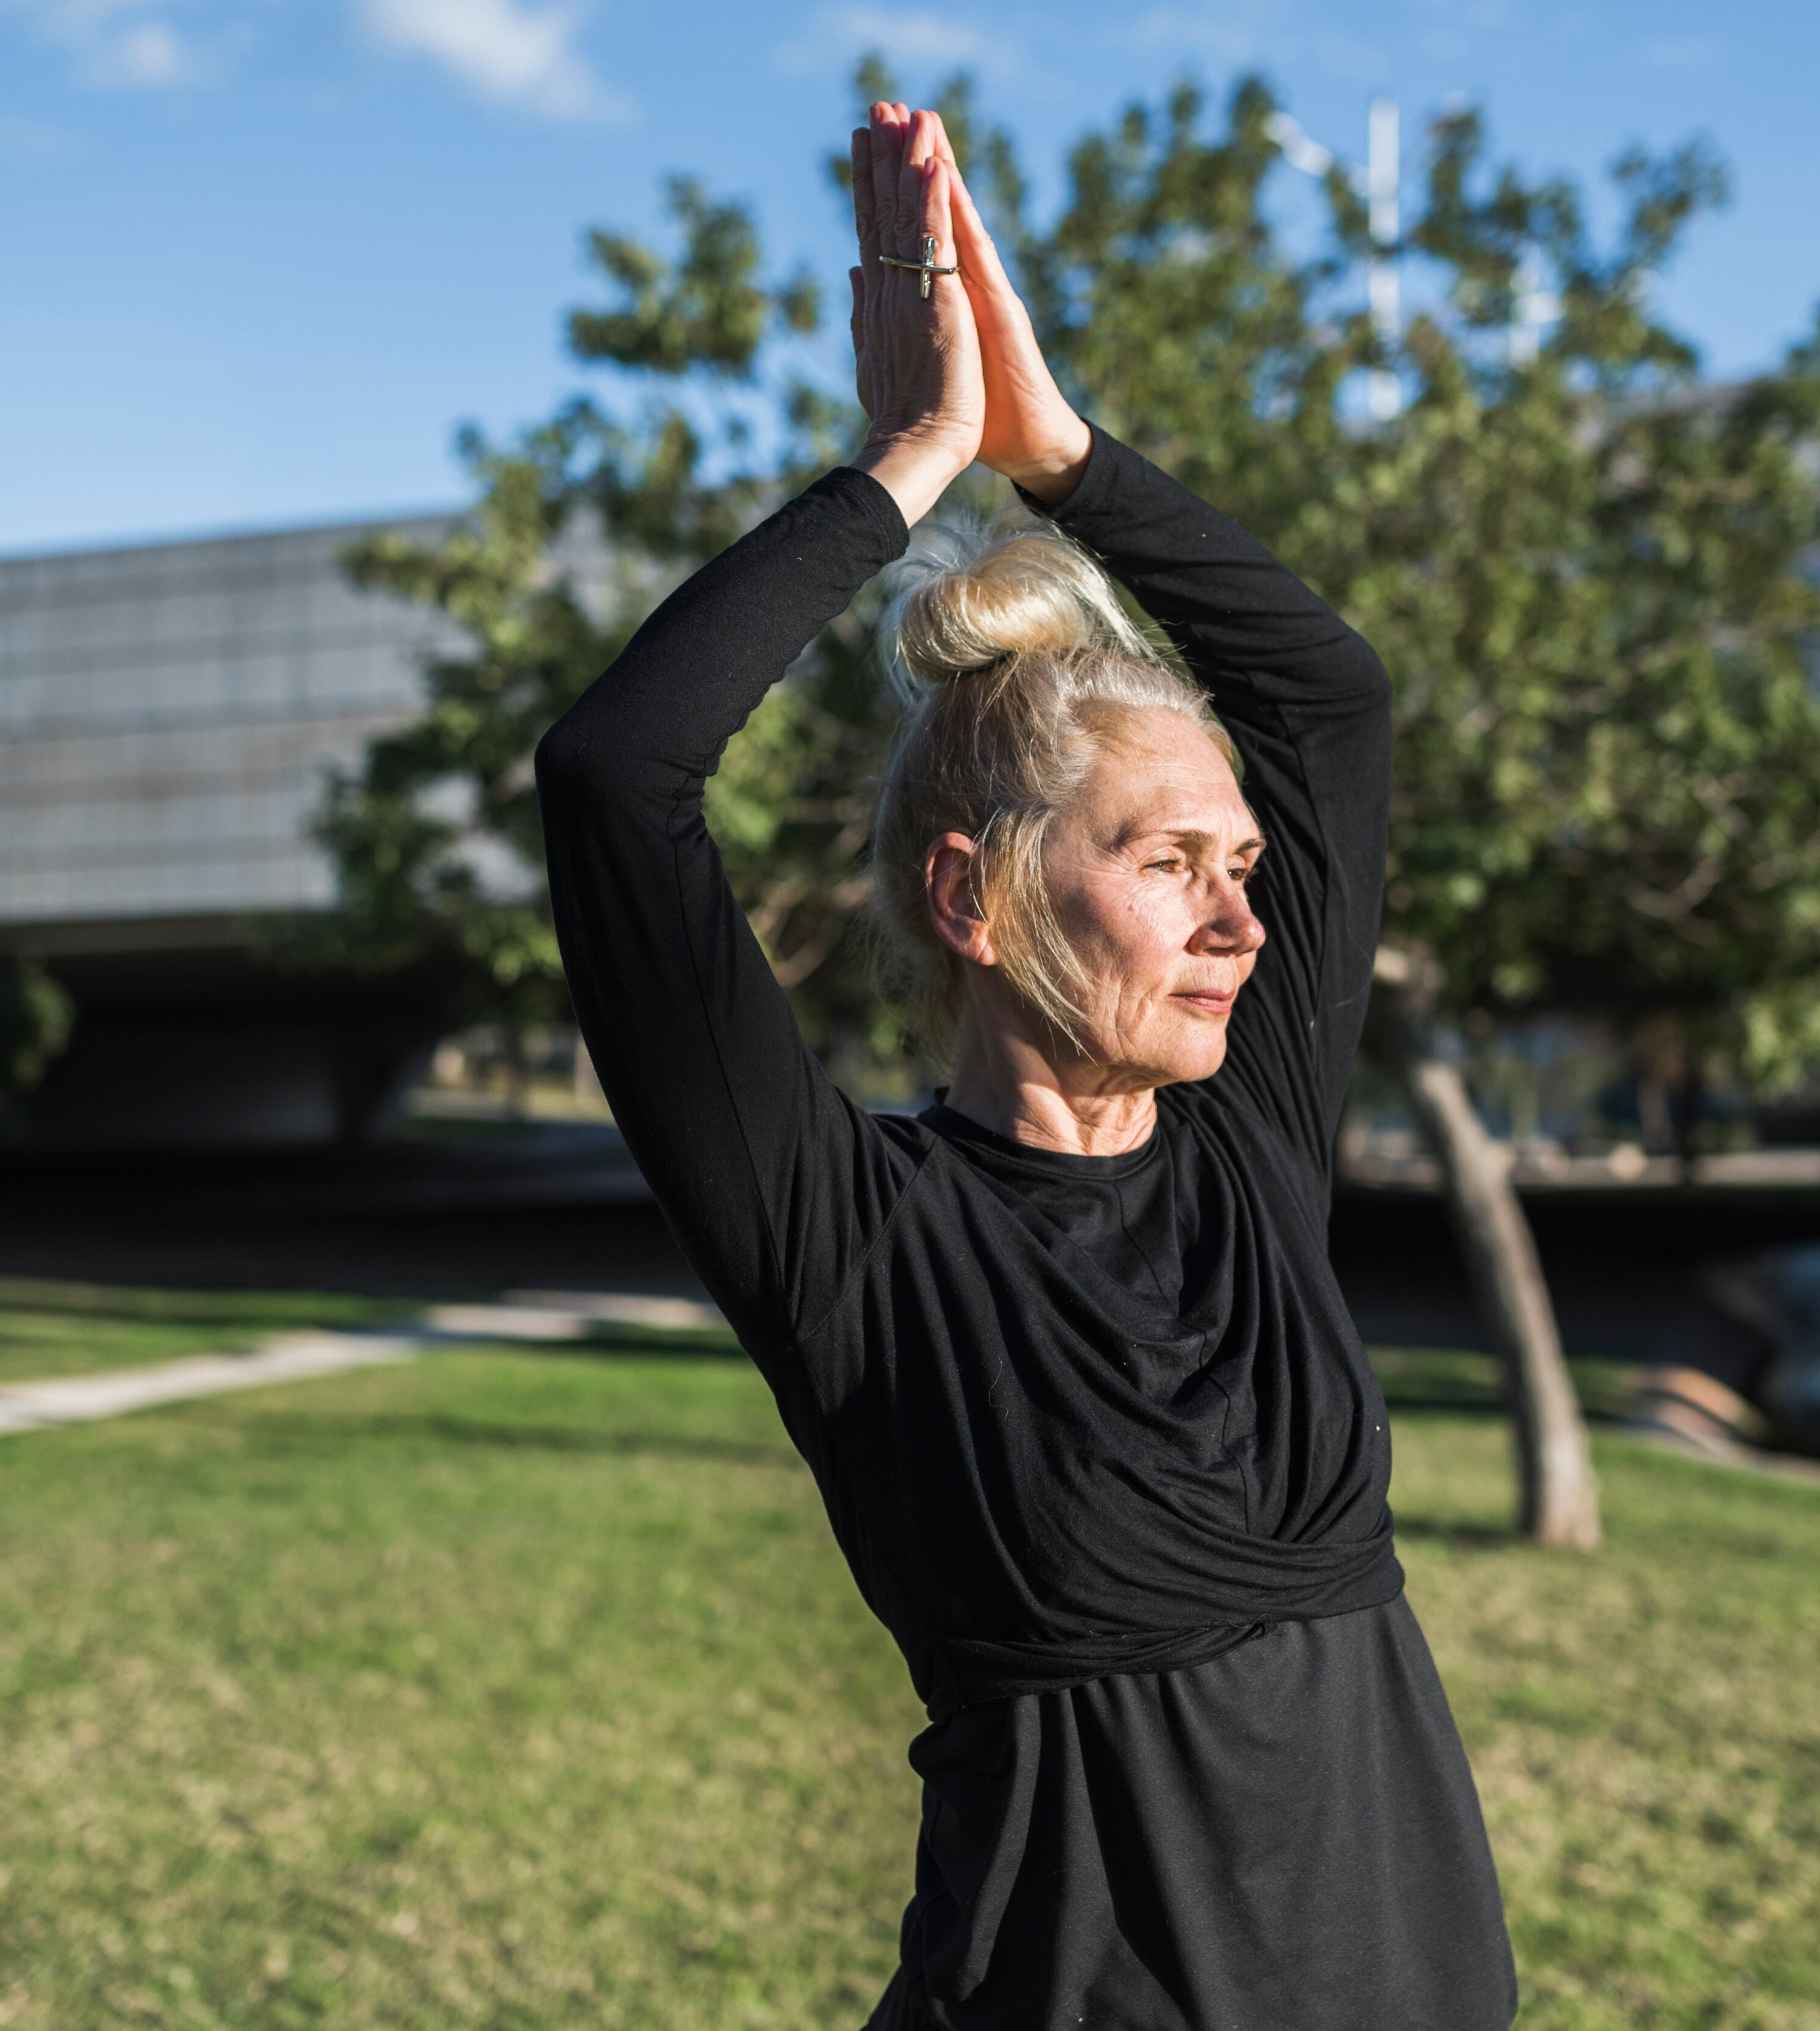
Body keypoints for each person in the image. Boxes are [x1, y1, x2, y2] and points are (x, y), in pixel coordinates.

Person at [535, 99, 1517, 2031]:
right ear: (976, 899)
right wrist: (902, 469)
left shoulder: (1247, 1154)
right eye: (1170, 865)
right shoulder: (854, 1243)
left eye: (1244, 868)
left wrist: (1052, 453)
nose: (1244, 920)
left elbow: (1329, 695)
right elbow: (613, 775)